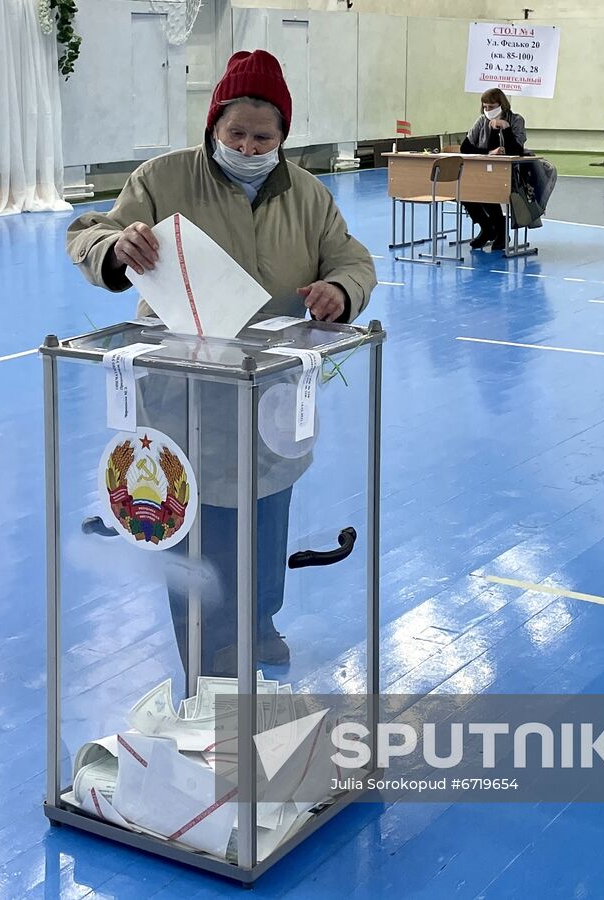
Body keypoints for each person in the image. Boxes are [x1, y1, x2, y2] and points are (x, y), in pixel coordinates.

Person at [66, 50, 377, 677]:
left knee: (267, 518)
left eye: (263, 136)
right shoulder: (164, 179)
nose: (248, 145)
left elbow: (353, 261)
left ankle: (260, 627)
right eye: (235, 132)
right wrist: (115, 245)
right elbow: (87, 233)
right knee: (194, 530)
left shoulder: (309, 197)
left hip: (273, 396)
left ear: (283, 137)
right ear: (213, 128)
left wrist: (340, 292)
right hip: (186, 398)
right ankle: (206, 655)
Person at [461, 88, 526, 252]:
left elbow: (517, 150)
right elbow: (465, 147)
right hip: (483, 170)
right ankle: (488, 226)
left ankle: (500, 231)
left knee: (488, 190)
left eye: (491, 107)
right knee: (464, 191)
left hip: (510, 171)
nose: (488, 110)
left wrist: (506, 128)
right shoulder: (482, 121)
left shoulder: (516, 120)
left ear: (501, 105)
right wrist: (489, 153)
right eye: (485, 107)